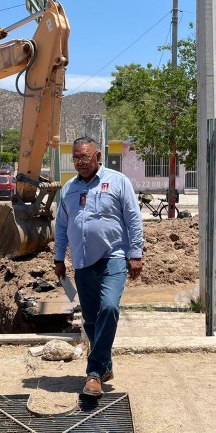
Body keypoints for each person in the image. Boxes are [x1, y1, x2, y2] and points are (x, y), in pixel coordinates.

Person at [54, 137, 144, 397]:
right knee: (91, 320)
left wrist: (135, 253)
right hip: (81, 261)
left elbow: (133, 219)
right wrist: (59, 259)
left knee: (109, 307)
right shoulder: (69, 188)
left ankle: (93, 373)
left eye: (84, 157)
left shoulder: (118, 181)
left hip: (113, 256)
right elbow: (61, 226)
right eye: (76, 158)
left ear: (98, 156)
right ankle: (105, 365)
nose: (80, 162)